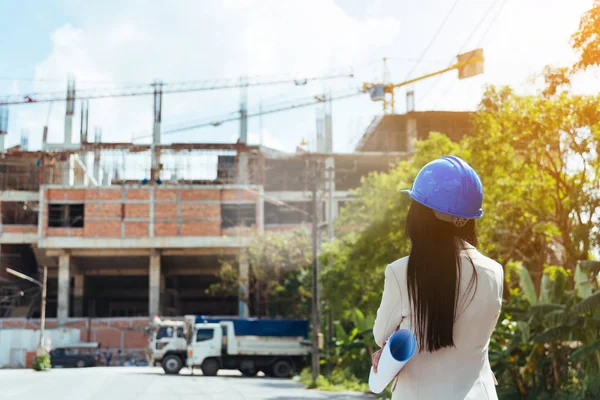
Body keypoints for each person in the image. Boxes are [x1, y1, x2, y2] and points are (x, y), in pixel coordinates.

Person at [371, 156, 503, 400]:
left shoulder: (402, 272)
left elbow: (381, 336)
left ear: (420, 215)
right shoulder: (494, 271)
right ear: (468, 218)